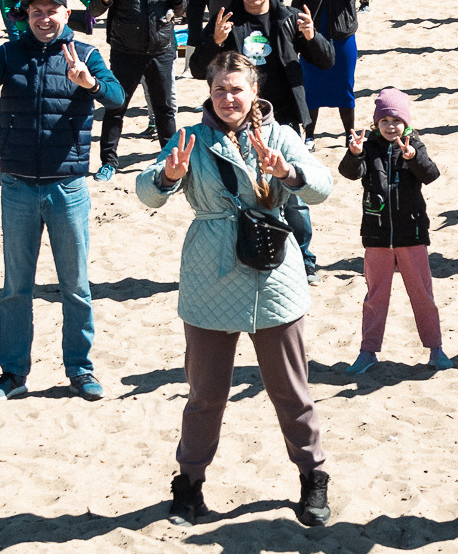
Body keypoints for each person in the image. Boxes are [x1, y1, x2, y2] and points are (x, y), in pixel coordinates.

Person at [141, 51, 336, 526]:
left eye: (237, 89)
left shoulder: (281, 135)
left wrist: (285, 172)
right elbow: (146, 194)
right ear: (209, 92)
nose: (229, 98)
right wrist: (169, 176)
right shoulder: (190, 139)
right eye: (220, 90)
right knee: (205, 394)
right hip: (210, 273)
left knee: (291, 391)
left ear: (254, 92)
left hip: (274, 276)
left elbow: (323, 189)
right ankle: (189, 484)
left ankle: (313, 478)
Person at [0, 0, 125, 402]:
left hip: (67, 186)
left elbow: (117, 96)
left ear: (66, 14)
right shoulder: (10, 52)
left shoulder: (86, 54)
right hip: (17, 186)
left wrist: (88, 83)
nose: (44, 18)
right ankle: (13, 374)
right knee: (16, 287)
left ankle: (80, 370)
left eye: (52, 10)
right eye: (37, 10)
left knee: (75, 286)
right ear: (26, 15)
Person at [341, 86, 448, 374]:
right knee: (375, 296)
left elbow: (432, 174)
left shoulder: (414, 144)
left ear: (406, 123)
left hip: (411, 233)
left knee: (422, 294)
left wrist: (414, 158)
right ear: (376, 122)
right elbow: (350, 173)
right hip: (376, 236)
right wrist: (354, 153)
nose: (391, 126)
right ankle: (368, 352)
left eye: (396, 121)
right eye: (385, 121)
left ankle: (436, 349)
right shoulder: (369, 145)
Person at [89, 0, 188, 175]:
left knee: (165, 109)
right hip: (126, 52)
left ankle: (170, 161)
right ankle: (109, 162)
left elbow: (180, 10)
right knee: (116, 106)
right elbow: (94, 10)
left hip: (161, 49)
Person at [284, 0, 369, 145]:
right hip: (312, 41)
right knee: (311, 89)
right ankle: (310, 136)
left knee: (345, 87)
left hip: (343, 39)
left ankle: (349, 133)